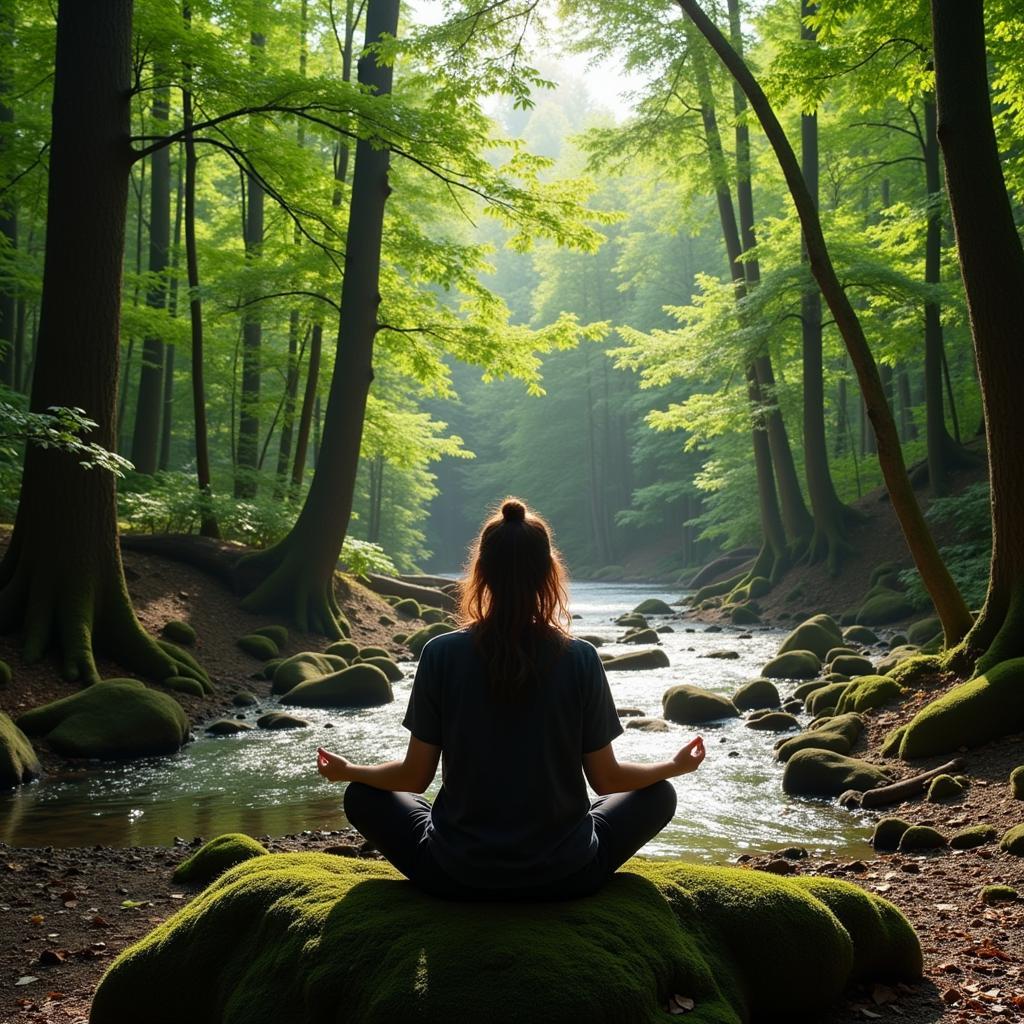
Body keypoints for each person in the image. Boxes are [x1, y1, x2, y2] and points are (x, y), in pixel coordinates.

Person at [316, 497, 705, 900]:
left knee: (361, 795)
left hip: (456, 874)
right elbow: (607, 780)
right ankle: (560, 845)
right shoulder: (580, 658)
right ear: (549, 575)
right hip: (567, 875)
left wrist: (349, 770)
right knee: (659, 794)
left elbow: (414, 778)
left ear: (480, 574)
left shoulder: (441, 654)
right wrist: (673, 766)